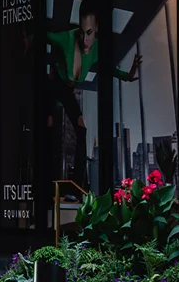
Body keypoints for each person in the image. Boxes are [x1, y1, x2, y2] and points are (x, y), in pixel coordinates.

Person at [46, 11, 141, 188]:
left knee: (82, 131)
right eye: (81, 33)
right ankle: (46, 178)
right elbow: (44, 35)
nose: (84, 40)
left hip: (67, 90)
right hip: (54, 84)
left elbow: (109, 69)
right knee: (50, 126)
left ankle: (76, 184)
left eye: (89, 33)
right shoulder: (66, 38)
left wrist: (129, 75)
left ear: (96, 30)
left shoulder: (96, 48)